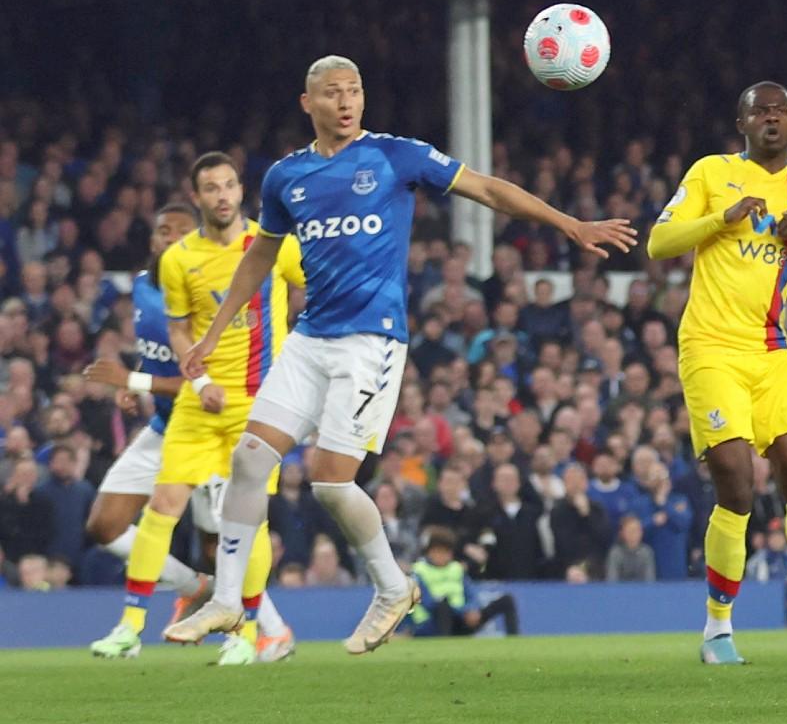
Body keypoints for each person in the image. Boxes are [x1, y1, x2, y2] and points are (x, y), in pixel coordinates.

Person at [163, 55, 634, 655]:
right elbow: (260, 256)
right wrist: (211, 333)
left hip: (371, 339)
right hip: (312, 337)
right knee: (250, 458)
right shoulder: (287, 177)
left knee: (331, 485)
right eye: (332, 92)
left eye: (354, 90)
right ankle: (229, 601)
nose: (345, 101)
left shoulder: (397, 154)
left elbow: (486, 188)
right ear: (307, 103)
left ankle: (392, 587)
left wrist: (568, 224)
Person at [646, 81, 787, 664]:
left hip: (769, 351)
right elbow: (659, 242)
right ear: (742, 124)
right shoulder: (713, 172)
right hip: (710, 347)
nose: (769, 118)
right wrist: (721, 218)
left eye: (778, 111)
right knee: (736, 483)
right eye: (758, 111)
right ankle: (718, 629)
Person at [97, 155, 307, 667]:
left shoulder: (274, 243)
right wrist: (203, 378)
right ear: (198, 196)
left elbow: (315, 286)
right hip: (198, 401)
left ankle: (249, 632)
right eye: (211, 188)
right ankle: (130, 627)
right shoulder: (177, 261)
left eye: (230, 185)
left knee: (247, 520)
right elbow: (178, 330)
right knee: (163, 504)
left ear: (241, 190)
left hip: (257, 402)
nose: (222, 195)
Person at [81, 204, 238, 656]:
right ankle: (193, 587)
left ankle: (260, 633)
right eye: (162, 231)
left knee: (218, 541)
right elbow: (160, 356)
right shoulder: (143, 288)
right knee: (104, 525)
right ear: (152, 240)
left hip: (207, 430)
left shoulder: (209, 294)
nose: (170, 238)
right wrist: (136, 381)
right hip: (162, 425)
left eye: (181, 233)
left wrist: (133, 380)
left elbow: (206, 381)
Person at [409, 528, 520, 636]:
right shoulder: (418, 571)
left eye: (447, 552)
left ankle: (514, 641)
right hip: (431, 623)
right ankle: (444, 647)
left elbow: (471, 594)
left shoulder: (457, 569)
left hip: (463, 620)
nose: (443, 556)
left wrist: (471, 610)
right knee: (442, 607)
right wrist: (463, 613)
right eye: (439, 551)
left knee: (506, 600)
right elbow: (428, 603)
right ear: (429, 552)